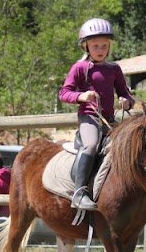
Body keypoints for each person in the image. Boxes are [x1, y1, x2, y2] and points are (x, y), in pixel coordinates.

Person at [58, 18, 136, 211]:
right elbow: (64, 93)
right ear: (86, 46)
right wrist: (82, 96)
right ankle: (79, 193)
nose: (100, 49)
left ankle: (142, 195)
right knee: (91, 144)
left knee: (133, 144)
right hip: (89, 118)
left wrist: (126, 100)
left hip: (110, 120)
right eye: (95, 45)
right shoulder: (79, 68)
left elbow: (125, 92)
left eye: (104, 45)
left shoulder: (114, 69)